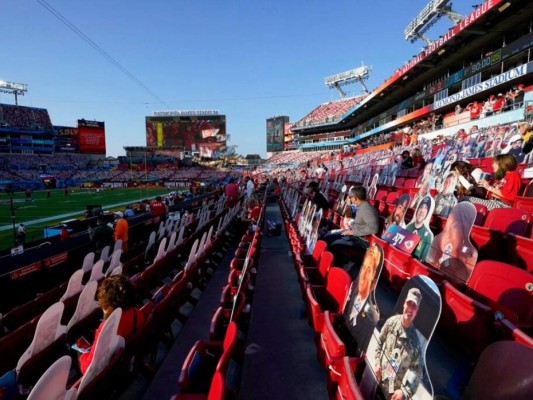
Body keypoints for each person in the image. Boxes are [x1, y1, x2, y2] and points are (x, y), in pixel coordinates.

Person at [78, 275, 145, 375]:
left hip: (107, 371)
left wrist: (81, 356)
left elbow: (88, 367)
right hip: (124, 360)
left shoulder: (106, 328)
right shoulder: (137, 313)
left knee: (77, 347)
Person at [374, 288, 424, 400]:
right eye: (408, 304)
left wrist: (404, 392)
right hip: (376, 381)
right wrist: (377, 362)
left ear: (417, 311)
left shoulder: (415, 344)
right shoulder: (391, 323)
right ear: (404, 303)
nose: (410, 309)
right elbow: (379, 341)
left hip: (392, 396)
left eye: (414, 306)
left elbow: (417, 373)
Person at [324, 187, 379, 270]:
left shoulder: (368, 210)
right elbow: (348, 214)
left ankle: (338, 267)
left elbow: (374, 229)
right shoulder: (360, 206)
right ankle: (340, 262)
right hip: (353, 235)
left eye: (351, 197)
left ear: (355, 198)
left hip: (361, 241)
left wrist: (353, 232)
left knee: (334, 244)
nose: (349, 198)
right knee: (327, 237)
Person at [427, 203, 478, 283]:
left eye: (453, 227)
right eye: (446, 228)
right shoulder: (438, 248)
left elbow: (457, 283)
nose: (447, 235)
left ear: (463, 232)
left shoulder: (469, 257)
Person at [343, 245, 381, 351]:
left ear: (374, 278)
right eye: (363, 268)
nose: (363, 275)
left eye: (369, 270)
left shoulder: (372, 319)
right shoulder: (353, 291)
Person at [405, 196, 434, 260]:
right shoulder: (408, 228)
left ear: (427, 213)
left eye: (426, 208)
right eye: (421, 207)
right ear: (417, 209)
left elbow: (422, 260)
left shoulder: (428, 236)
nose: (422, 211)